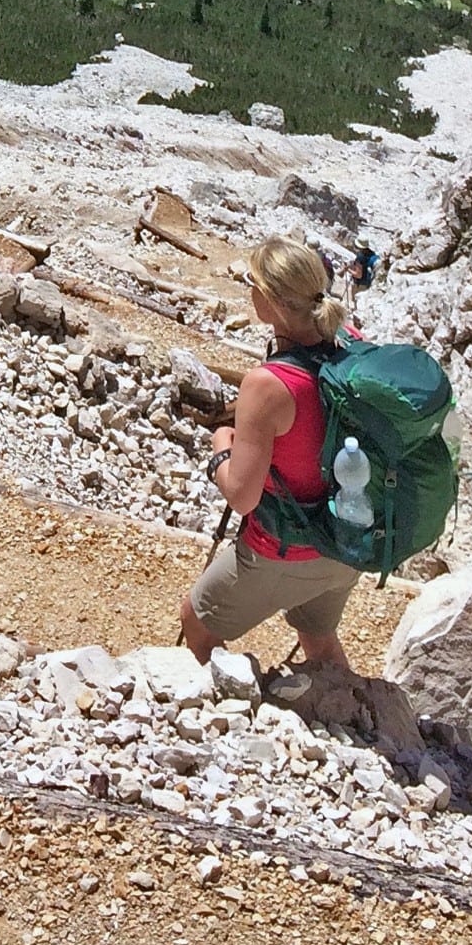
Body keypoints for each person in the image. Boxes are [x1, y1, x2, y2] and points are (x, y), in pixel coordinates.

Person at [181, 235, 359, 669]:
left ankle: (220, 714)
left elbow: (243, 497)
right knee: (317, 636)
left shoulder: (267, 384)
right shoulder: (352, 345)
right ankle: (351, 710)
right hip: (350, 539)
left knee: (197, 621)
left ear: (268, 301)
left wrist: (221, 449)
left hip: (286, 546)